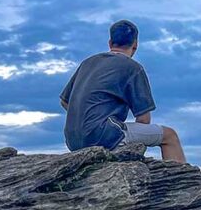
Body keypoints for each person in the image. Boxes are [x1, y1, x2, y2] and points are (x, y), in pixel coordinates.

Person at [59, 19, 187, 163]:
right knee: (170, 136)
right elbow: (144, 119)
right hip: (102, 134)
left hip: (73, 139)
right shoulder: (133, 68)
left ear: (110, 43)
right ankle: (181, 182)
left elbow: (64, 101)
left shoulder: (88, 63)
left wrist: (85, 117)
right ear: (135, 45)